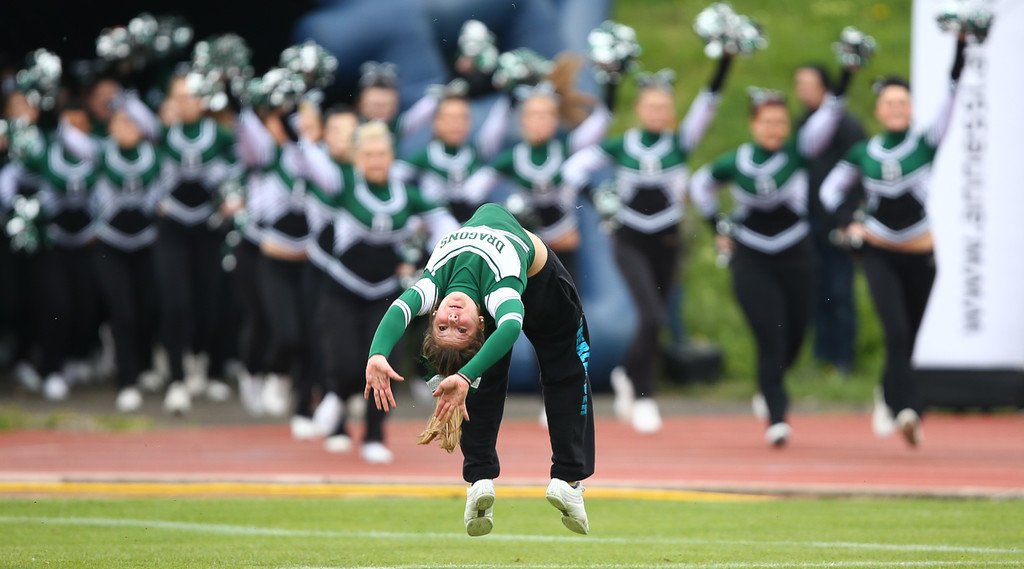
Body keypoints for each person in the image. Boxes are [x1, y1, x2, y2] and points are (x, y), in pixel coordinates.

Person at [364, 202, 594, 537]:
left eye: (443, 326)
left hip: (512, 283)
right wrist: (465, 376)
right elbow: (511, 326)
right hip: (541, 284)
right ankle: (566, 479)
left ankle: (479, 478)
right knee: (568, 366)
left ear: (433, 314)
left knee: (480, 378)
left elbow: (400, 309)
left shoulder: (433, 286)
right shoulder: (499, 290)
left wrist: (377, 354)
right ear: (482, 323)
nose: (453, 318)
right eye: (461, 329)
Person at [561, 56, 733, 433]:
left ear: (671, 112)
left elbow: (707, 105)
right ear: (639, 109)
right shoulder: (623, 145)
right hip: (630, 239)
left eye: (663, 107)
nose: (657, 112)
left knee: (657, 319)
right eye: (650, 106)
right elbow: (572, 168)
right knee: (651, 315)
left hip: (668, 242)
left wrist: (725, 59)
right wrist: (596, 196)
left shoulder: (681, 142)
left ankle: (628, 371)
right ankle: (643, 394)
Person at [689, 62, 856, 447]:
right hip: (752, 257)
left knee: (794, 337)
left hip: (797, 255)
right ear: (753, 125)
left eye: (780, 123)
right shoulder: (736, 161)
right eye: (766, 122)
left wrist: (845, 74)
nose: (774, 129)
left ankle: (770, 386)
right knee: (770, 338)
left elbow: (828, 117)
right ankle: (777, 417)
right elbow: (700, 184)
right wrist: (718, 226)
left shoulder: (801, 151)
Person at [820, 35, 969, 448]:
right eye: (889, 103)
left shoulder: (925, 142)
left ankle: (888, 395)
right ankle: (908, 410)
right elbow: (829, 191)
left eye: (903, 102)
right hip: (879, 250)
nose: (896, 108)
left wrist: (962, 47)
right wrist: (849, 222)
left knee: (910, 337)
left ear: (912, 108)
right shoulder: (864, 152)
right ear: (878, 110)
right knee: (897, 331)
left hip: (920, 253)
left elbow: (952, 96)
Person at [304, 120, 457, 463]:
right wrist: (302, 134)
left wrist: (445, 256)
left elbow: (443, 223)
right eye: (369, 155)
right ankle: (337, 399)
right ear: (358, 158)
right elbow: (311, 165)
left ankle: (374, 434)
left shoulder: (405, 194)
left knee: (384, 362)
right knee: (343, 359)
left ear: (391, 157)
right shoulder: (343, 185)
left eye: (381, 154)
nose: (376, 161)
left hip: (386, 295)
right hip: (342, 287)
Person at [64, 92, 172, 411]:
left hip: (146, 242)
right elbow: (68, 137)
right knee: (122, 311)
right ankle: (127, 380)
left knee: (148, 308)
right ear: (110, 127)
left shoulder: (155, 154)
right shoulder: (100, 152)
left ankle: (145, 365)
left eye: (132, 123)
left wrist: (132, 104)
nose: (126, 128)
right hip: (110, 243)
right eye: (120, 123)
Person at [461, 63, 611, 281]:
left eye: (546, 115)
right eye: (533, 115)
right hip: (528, 247)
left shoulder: (566, 149)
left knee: (568, 296)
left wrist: (610, 86)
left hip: (563, 240)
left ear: (555, 120)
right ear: (523, 121)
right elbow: (472, 189)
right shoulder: (512, 158)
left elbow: (600, 123)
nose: (539, 121)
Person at [156, 74, 238, 413]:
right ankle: (176, 378)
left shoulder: (220, 134)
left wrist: (232, 197)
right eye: (178, 97)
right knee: (176, 302)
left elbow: (241, 166)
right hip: (172, 227)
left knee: (210, 300)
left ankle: (207, 365)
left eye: (191, 96)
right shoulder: (162, 134)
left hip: (208, 226)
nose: (185, 103)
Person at [14, 100, 102, 405]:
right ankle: (51, 369)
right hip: (53, 241)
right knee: (56, 306)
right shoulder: (47, 152)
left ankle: (77, 358)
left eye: (80, 124)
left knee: (85, 305)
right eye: (68, 124)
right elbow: (19, 172)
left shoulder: (98, 152)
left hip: (87, 241)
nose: (73, 132)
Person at [793, 64, 866, 376]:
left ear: (825, 87)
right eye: (799, 84)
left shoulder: (847, 125)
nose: (803, 90)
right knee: (815, 289)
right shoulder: (801, 123)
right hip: (809, 221)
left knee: (839, 289)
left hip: (838, 220)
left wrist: (850, 215)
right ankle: (821, 355)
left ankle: (844, 358)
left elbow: (860, 172)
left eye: (809, 84)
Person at [394, 86, 510, 222]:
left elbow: (494, 131)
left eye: (463, 118)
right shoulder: (423, 157)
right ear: (435, 122)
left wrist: (507, 103)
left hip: (472, 224)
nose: (456, 124)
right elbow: (392, 179)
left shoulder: (476, 152)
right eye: (450, 118)